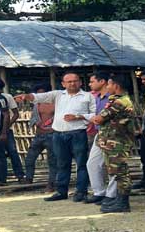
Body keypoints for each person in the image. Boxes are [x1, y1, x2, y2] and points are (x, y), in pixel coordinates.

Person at [15, 72, 96, 202]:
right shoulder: (58, 95)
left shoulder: (88, 96)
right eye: (68, 81)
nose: (72, 83)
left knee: (81, 163)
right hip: (58, 134)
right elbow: (39, 97)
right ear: (63, 84)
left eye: (75, 81)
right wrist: (26, 96)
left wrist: (79, 117)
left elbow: (94, 114)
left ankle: (81, 191)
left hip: (78, 133)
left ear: (80, 82)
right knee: (62, 163)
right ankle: (61, 191)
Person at [91, 75, 138, 213]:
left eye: (109, 84)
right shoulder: (117, 100)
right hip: (112, 142)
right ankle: (119, 199)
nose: (107, 87)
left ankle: (123, 202)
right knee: (116, 172)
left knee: (120, 173)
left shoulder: (120, 102)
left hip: (118, 143)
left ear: (116, 86)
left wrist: (96, 118)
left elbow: (99, 119)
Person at [85, 72, 117, 204]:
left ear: (102, 81)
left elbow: (100, 118)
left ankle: (112, 195)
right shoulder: (97, 97)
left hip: (113, 134)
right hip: (101, 133)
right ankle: (99, 192)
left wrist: (84, 117)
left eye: (92, 81)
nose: (90, 84)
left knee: (113, 165)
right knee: (92, 163)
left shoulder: (113, 98)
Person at [24, 84, 57, 192]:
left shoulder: (55, 104)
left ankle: (51, 183)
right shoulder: (36, 104)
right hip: (39, 135)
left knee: (52, 160)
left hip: (52, 134)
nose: (40, 95)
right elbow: (34, 118)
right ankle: (28, 179)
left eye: (43, 93)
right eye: (38, 93)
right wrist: (37, 123)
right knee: (29, 158)